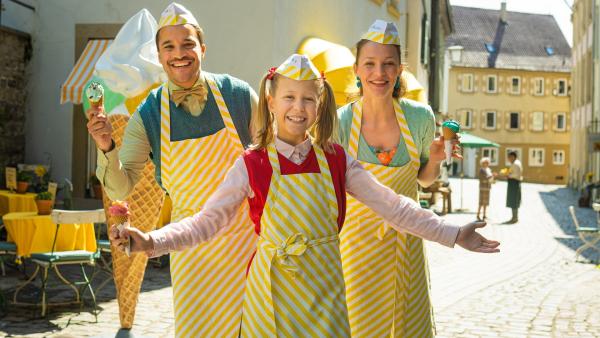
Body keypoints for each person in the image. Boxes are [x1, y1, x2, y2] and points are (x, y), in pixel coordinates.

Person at [110, 54, 500, 337]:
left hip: (326, 296)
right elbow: (206, 222)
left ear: (320, 105)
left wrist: (451, 233)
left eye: (308, 99)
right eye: (289, 98)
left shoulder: (337, 160)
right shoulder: (252, 164)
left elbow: (394, 206)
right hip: (271, 298)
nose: (299, 108)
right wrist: (152, 241)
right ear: (272, 102)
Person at [86, 3, 258, 337]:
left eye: (187, 44)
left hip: (246, 246)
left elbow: (273, 160)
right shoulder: (149, 113)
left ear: (203, 49)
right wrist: (106, 145)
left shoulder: (238, 95)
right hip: (190, 253)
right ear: (159, 53)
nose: (179, 54)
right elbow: (121, 187)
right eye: (169, 46)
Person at [337, 20, 461, 337]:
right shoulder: (340, 121)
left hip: (407, 245)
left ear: (400, 69)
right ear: (357, 69)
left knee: (408, 327)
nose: (379, 73)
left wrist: (434, 159)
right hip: (354, 254)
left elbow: (423, 181)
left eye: (388, 64)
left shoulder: (420, 117)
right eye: (370, 64)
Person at [504, 151, 523, 223]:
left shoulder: (515, 164)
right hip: (515, 183)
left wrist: (508, 175)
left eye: (509, 157)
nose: (508, 159)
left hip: (514, 183)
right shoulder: (517, 163)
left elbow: (516, 175)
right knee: (514, 200)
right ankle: (514, 217)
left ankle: (514, 218)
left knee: (513, 200)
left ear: (513, 157)